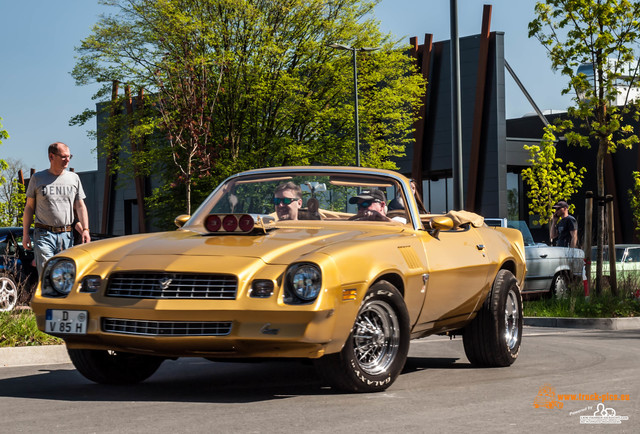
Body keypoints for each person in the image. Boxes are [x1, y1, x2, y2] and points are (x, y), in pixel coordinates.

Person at [22, 142, 91, 275]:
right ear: (51, 157)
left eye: (69, 156)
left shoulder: (74, 178)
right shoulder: (37, 178)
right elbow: (29, 207)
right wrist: (25, 235)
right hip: (44, 234)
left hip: (67, 234)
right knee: (47, 273)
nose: (67, 160)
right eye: (63, 156)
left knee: (65, 276)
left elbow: (80, 206)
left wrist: (85, 229)